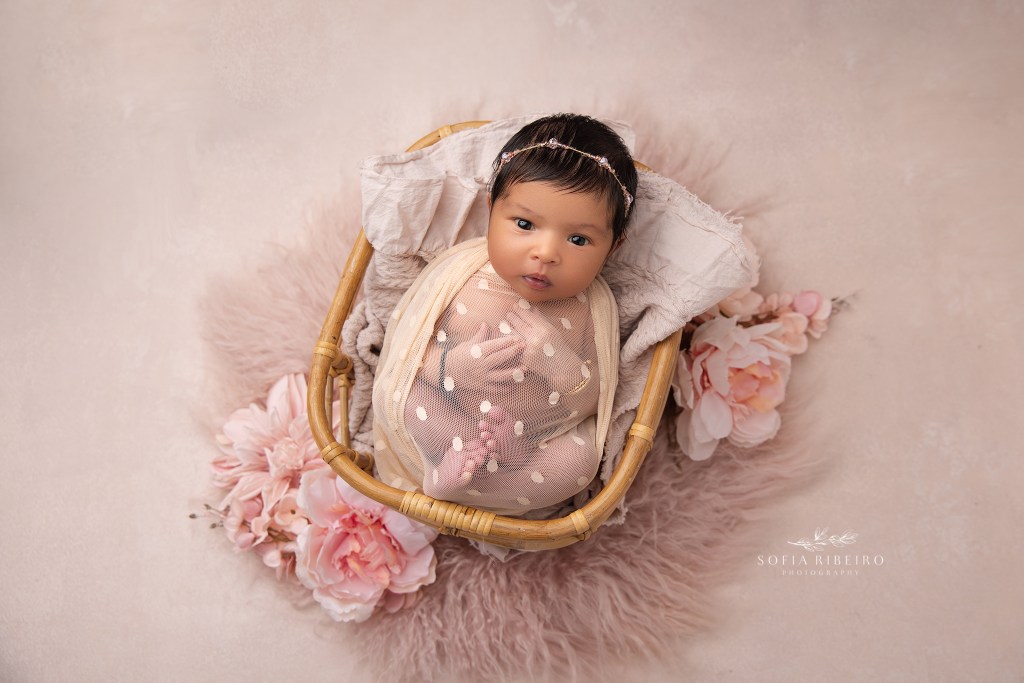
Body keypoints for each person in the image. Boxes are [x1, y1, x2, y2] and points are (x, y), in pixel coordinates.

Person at [371, 114, 638, 516]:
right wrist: (451, 367)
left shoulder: (590, 308)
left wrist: (562, 366)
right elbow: (406, 353)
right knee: (402, 398)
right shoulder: (461, 275)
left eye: (578, 239)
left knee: (579, 463)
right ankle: (447, 473)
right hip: (447, 420)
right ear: (491, 210)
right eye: (525, 224)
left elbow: (596, 397)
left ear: (612, 247)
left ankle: (490, 474)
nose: (545, 253)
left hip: (533, 441)